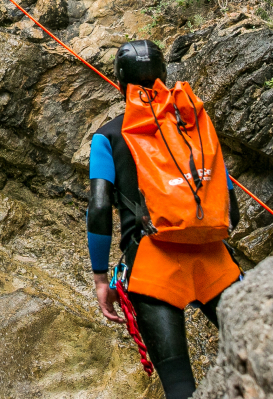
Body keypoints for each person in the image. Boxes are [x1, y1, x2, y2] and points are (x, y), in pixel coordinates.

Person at [87, 40, 241, 399]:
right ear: (164, 74)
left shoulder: (107, 136)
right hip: (214, 259)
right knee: (266, 357)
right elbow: (229, 204)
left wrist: (100, 278)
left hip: (152, 265)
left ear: (119, 80)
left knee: (178, 384)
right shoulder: (192, 122)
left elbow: (98, 208)